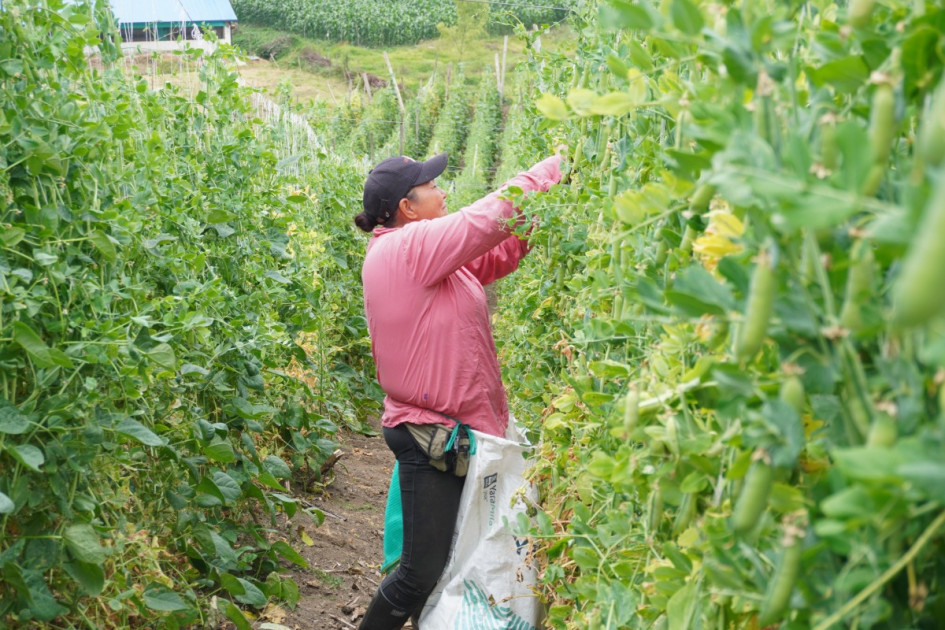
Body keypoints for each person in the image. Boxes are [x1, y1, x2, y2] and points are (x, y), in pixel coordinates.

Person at [353, 151, 562, 629]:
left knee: (447, 561)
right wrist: (554, 168)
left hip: (453, 429)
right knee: (419, 571)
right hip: (434, 433)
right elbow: (485, 220)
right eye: (433, 186)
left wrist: (547, 211)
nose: (443, 192)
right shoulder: (407, 249)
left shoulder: (429, 258)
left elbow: (498, 251)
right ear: (408, 207)